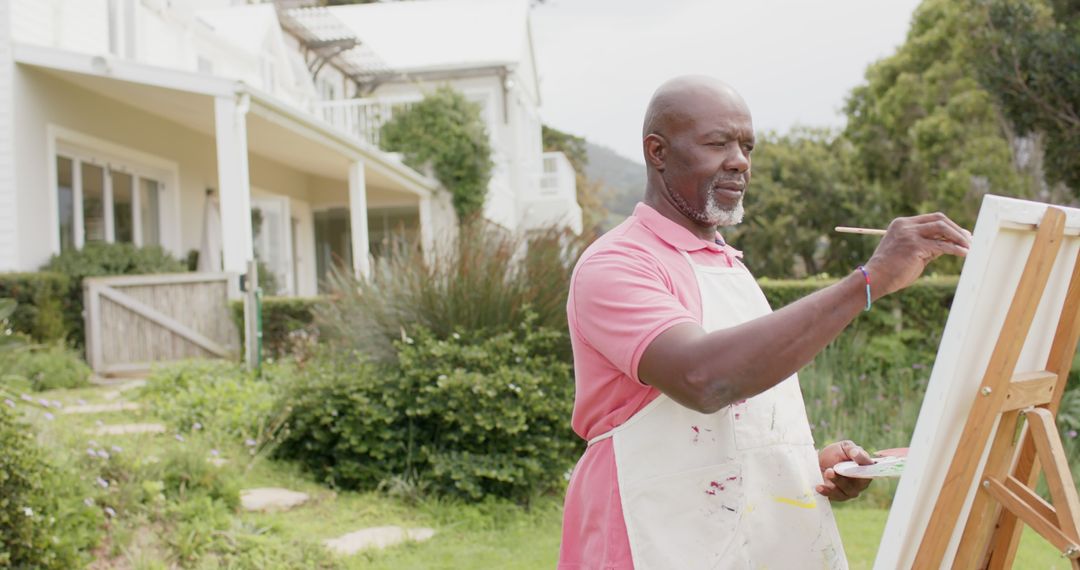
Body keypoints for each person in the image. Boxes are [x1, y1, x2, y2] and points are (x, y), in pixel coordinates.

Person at [557, 75, 971, 569]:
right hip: (653, 538)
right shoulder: (617, 264)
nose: (740, 161)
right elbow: (704, 379)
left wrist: (803, 465)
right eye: (718, 144)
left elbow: (742, 415)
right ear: (657, 151)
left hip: (752, 538)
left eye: (746, 145)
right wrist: (868, 280)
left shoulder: (729, 265)